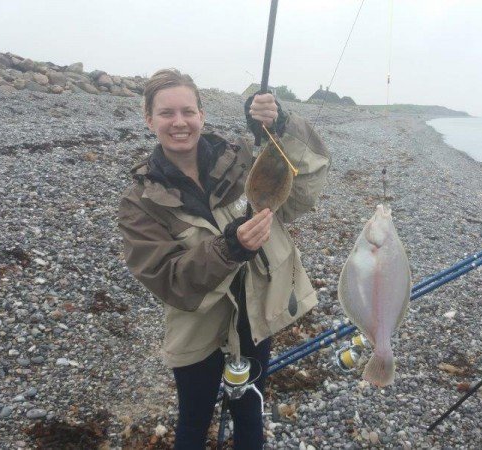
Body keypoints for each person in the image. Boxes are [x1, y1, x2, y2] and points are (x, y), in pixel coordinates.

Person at [118, 68, 330, 450]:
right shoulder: (140, 203)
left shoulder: (240, 161)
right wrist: (230, 247)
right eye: (167, 113)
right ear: (149, 119)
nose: (179, 122)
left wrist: (276, 127)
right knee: (193, 421)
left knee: (249, 412)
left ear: (202, 114)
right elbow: (168, 278)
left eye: (188, 111)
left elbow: (301, 195)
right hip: (197, 330)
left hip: (255, 317)